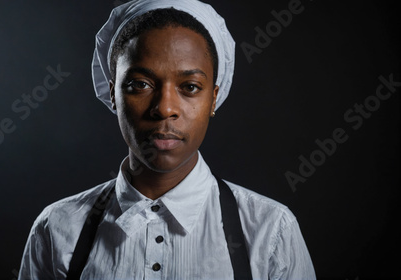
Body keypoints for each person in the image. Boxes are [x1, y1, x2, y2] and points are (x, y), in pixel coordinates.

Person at [19, 0, 316, 279]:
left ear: (213, 98)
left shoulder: (271, 230)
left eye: (189, 86)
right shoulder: (57, 228)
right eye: (140, 84)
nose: (164, 108)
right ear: (113, 93)